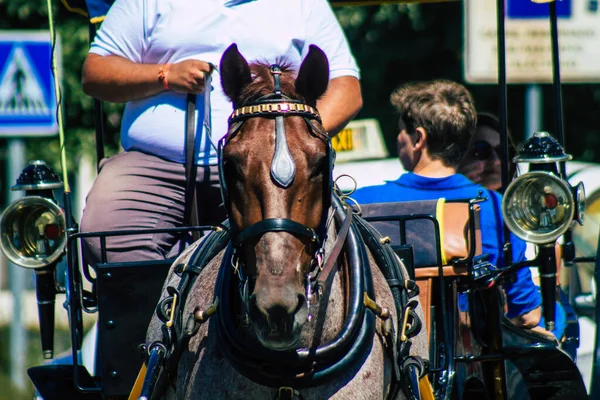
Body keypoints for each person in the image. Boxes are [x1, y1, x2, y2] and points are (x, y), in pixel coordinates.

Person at [79, 0, 363, 265]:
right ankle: (168, 305)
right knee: (104, 233)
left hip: (270, 169)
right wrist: (164, 75)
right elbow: (96, 72)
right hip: (156, 163)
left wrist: (292, 140)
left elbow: (346, 88)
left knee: (315, 243)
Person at [351, 80, 544, 331]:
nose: (398, 138)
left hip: (387, 354)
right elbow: (528, 315)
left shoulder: (360, 205)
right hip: (465, 362)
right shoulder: (497, 209)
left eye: (400, 131)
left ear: (418, 138)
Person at [458, 112, 570, 340]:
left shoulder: (536, 225)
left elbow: (539, 311)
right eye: (482, 152)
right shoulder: (450, 213)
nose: (496, 162)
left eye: (504, 152)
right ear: (455, 155)